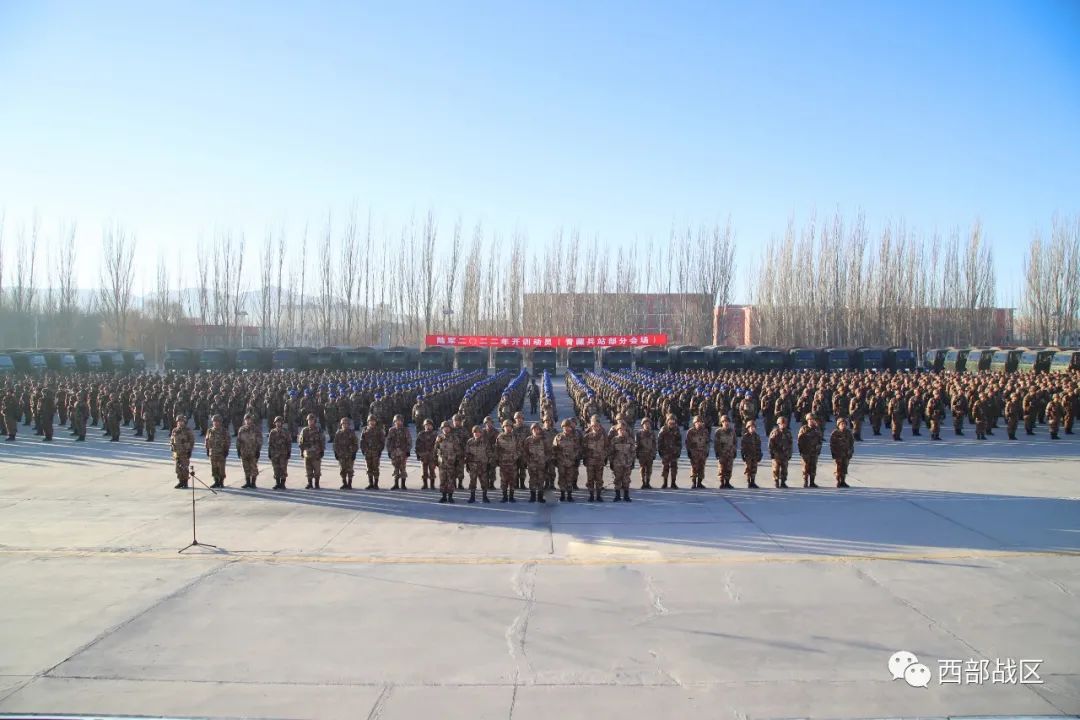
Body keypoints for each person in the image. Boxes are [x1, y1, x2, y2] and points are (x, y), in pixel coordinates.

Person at [553, 418, 580, 502]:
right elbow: (554, 449)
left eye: (568, 427)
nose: (567, 428)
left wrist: (576, 458)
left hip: (571, 462)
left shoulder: (575, 438)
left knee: (570, 478)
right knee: (561, 478)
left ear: (571, 428)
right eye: (565, 427)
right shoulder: (558, 437)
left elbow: (577, 449)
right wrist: (554, 459)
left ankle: (569, 495)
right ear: (562, 427)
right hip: (561, 462)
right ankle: (562, 495)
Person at [583, 415, 609, 502]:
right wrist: (585, 458)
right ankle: (591, 495)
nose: (595, 427)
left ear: (599, 426)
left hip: (599, 461)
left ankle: (598, 495)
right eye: (593, 426)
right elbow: (584, 448)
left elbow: (606, 447)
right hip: (590, 461)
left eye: (597, 425)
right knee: (590, 479)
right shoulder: (587, 436)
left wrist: (605, 457)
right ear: (591, 426)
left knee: (599, 479)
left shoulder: (603, 435)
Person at [465, 425, 491, 503]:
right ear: (473, 433)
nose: (477, 433)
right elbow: (467, 453)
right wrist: (467, 464)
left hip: (483, 465)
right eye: (475, 432)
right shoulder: (469, 442)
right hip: (472, 465)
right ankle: (472, 497)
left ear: (481, 433)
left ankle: (485, 497)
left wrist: (489, 463)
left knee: (484, 481)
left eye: (479, 432)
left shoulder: (485, 442)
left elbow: (489, 453)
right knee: (472, 481)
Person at [522, 423, 548, 503]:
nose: (535, 431)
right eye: (534, 429)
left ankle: (540, 497)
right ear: (531, 430)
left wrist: (545, 460)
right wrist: (527, 461)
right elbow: (525, 452)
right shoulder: (528, 440)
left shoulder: (543, 440)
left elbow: (548, 451)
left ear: (539, 430)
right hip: (532, 463)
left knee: (541, 479)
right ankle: (532, 496)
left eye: (537, 429)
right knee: (532, 480)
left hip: (541, 463)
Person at [236, 413, 263, 489]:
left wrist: (258, 450)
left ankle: (253, 483)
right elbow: (238, 440)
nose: (247, 421)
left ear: (251, 420)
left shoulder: (256, 429)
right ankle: (247, 482)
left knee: (253, 468)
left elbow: (259, 441)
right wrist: (238, 450)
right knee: (246, 468)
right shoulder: (241, 429)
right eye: (246, 420)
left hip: (253, 452)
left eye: (249, 419)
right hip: (244, 452)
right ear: (244, 420)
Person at [609, 423, 635, 502]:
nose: (622, 431)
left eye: (623, 429)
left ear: (625, 430)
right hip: (617, 463)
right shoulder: (614, 440)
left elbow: (633, 452)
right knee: (617, 479)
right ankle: (617, 496)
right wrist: (611, 462)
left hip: (627, 463)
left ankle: (626, 496)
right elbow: (611, 452)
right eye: (620, 429)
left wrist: (633, 461)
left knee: (626, 479)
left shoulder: (630, 440)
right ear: (617, 431)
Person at [435, 421, 459, 503]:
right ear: (442, 429)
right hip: (442, 463)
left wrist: (457, 461)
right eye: (444, 428)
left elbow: (457, 450)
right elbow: (435, 449)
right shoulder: (439, 437)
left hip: (451, 462)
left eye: (447, 427)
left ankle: (450, 497)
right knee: (442, 480)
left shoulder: (454, 438)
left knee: (451, 480)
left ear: (450, 429)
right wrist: (435, 460)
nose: (446, 429)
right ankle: (444, 496)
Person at [299, 413, 325, 489]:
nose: (310, 421)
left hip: (316, 453)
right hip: (307, 454)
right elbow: (301, 442)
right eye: (309, 420)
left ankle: (317, 483)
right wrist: (301, 451)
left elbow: (322, 441)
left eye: (312, 420)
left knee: (317, 470)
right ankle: (309, 483)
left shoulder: (319, 430)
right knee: (308, 470)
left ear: (314, 421)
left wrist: (322, 450)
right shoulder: (304, 430)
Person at [386, 414, 412, 490]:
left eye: (399, 421)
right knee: (395, 467)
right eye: (396, 421)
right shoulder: (391, 430)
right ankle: (396, 484)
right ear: (394, 422)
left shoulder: (405, 430)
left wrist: (408, 450)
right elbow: (388, 441)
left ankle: (403, 484)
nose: (398, 422)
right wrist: (389, 451)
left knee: (403, 468)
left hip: (403, 452)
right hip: (394, 452)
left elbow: (409, 441)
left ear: (402, 422)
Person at [495, 419, 519, 503]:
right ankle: (504, 496)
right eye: (506, 426)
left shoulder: (515, 437)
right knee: (503, 480)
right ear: (503, 427)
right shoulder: (500, 437)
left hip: (512, 462)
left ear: (512, 427)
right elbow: (496, 449)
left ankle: (511, 497)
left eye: (509, 426)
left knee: (513, 480)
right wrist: (498, 459)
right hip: (503, 463)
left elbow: (519, 448)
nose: (508, 428)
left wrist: (516, 456)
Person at [360, 415, 386, 489]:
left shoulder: (379, 430)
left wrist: (380, 450)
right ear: (368, 422)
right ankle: (370, 483)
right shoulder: (365, 429)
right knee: (369, 468)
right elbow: (362, 441)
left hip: (376, 452)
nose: (372, 422)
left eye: (373, 421)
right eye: (370, 421)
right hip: (367, 452)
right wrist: (363, 449)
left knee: (375, 467)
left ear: (375, 422)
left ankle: (376, 484)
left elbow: (382, 441)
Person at [204, 414, 231, 488]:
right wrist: (207, 449)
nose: (215, 423)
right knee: (214, 467)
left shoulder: (224, 431)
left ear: (220, 422)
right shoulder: (210, 430)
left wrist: (226, 450)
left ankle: (221, 482)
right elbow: (207, 440)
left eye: (217, 421)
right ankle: (216, 481)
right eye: (214, 421)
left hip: (221, 452)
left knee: (221, 468)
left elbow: (228, 441)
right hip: (212, 452)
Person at [797, 414, 823, 488]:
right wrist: (801, 450)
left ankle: (812, 482)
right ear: (807, 420)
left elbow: (820, 439)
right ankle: (805, 481)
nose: (811, 421)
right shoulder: (804, 428)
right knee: (805, 467)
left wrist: (819, 449)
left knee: (813, 467)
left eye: (812, 419)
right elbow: (799, 440)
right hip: (806, 451)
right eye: (809, 419)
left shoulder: (817, 429)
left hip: (814, 451)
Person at [658, 414, 682, 489]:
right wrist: (660, 450)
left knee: (674, 468)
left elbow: (679, 442)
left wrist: (678, 451)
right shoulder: (663, 429)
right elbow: (659, 441)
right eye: (670, 420)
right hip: (665, 452)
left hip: (674, 452)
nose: (671, 422)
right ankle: (665, 483)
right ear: (667, 421)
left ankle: (673, 483)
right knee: (665, 467)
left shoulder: (677, 429)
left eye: (673, 421)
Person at [170, 414, 195, 489]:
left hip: (185, 452)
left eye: (181, 421)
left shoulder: (188, 430)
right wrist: (172, 447)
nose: (180, 423)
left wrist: (190, 450)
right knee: (178, 468)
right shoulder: (175, 430)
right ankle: (180, 481)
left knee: (184, 468)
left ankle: (185, 482)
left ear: (184, 422)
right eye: (178, 421)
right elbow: (172, 440)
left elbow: (192, 441)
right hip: (176, 452)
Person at [685, 415, 710, 489]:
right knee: (694, 467)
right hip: (694, 453)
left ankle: (699, 483)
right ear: (694, 423)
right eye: (697, 422)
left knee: (701, 467)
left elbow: (707, 442)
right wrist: (688, 451)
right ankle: (694, 482)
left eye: (700, 422)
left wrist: (707, 451)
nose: (699, 423)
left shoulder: (705, 431)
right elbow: (687, 442)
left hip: (703, 452)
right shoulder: (690, 431)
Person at [334, 417, 359, 489]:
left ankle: (349, 483)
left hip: (350, 454)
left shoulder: (352, 433)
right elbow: (335, 444)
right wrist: (336, 452)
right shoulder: (338, 433)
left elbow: (355, 443)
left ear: (349, 425)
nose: (345, 425)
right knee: (342, 469)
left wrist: (354, 452)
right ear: (341, 425)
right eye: (343, 424)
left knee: (350, 469)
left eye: (346, 424)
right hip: (341, 454)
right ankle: (344, 483)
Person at [768, 415, 793, 488]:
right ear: (778, 424)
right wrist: (771, 453)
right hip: (776, 454)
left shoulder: (788, 433)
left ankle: (783, 482)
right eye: (781, 424)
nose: (783, 425)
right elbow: (770, 444)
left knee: (784, 469)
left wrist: (790, 453)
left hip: (785, 454)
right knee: (776, 469)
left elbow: (790, 444)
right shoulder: (775, 432)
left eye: (784, 424)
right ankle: (776, 481)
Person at [268, 415, 292, 490]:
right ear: (275, 423)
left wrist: (289, 452)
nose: (278, 423)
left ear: (282, 423)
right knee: (276, 468)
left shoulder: (286, 432)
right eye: (277, 422)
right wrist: (269, 452)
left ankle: (282, 484)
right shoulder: (272, 432)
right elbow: (270, 443)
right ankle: (277, 483)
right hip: (274, 454)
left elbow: (289, 442)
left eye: (279, 422)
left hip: (283, 454)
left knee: (283, 468)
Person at [829, 417, 855, 488]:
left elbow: (852, 443)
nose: (843, 425)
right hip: (838, 454)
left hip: (846, 453)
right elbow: (832, 444)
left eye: (844, 424)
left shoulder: (849, 432)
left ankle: (843, 481)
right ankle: (838, 481)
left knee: (844, 467)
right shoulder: (835, 433)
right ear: (838, 425)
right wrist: (834, 453)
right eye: (841, 424)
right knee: (838, 468)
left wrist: (851, 451)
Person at [713, 415, 737, 489]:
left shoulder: (732, 431)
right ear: (722, 422)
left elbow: (734, 442)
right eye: (724, 422)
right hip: (722, 453)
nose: (726, 423)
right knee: (721, 468)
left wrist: (735, 451)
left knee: (729, 468)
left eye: (727, 421)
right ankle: (722, 483)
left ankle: (727, 482)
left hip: (730, 452)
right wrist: (717, 452)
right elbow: (716, 443)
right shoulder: (718, 432)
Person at [415, 418, 438, 489]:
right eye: (426, 425)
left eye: (429, 425)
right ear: (424, 426)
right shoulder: (421, 434)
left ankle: (432, 484)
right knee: (424, 470)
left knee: (432, 470)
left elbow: (438, 446)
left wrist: (437, 456)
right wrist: (418, 454)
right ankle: (425, 484)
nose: (428, 427)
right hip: (423, 455)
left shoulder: (435, 434)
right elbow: (417, 445)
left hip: (432, 455)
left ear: (432, 426)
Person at [635, 417, 657, 489]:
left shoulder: (652, 433)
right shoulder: (639, 433)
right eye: (645, 424)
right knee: (642, 469)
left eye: (648, 424)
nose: (647, 425)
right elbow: (636, 443)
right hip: (642, 454)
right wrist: (636, 453)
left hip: (650, 454)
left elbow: (654, 444)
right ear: (642, 425)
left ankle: (648, 482)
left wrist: (654, 453)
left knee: (649, 469)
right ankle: (643, 482)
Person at [740, 420, 762, 489]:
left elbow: (759, 446)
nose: (752, 428)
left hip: (755, 455)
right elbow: (743, 447)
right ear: (748, 428)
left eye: (753, 427)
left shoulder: (757, 436)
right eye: (750, 427)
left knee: (754, 468)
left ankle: (753, 481)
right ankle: (748, 482)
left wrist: (759, 454)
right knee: (748, 468)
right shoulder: (745, 436)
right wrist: (743, 454)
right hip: (748, 455)